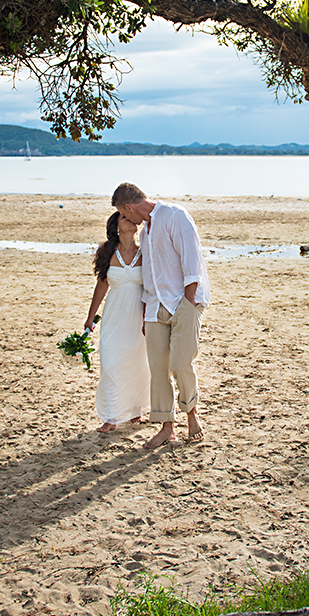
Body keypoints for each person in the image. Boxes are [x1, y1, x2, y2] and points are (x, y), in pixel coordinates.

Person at [112, 182, 209, 448]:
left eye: (124, 213)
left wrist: (188, 302)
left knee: (180, 364)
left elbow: (192, 262)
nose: (127, 219)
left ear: (129, 207)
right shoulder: (145, 233)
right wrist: (146, 312)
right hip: (155, 308)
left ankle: (192, 414)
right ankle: (167, 427)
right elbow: (149, 277)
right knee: (157, 370)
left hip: (183, 303)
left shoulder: (174, 216)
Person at [83, 211, 150, 432]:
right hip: (113, 316)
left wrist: (147, 318)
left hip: (137, 317)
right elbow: (102, 286)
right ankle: (110, 418)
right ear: (116, 227)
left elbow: (150, 288)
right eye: (124, 217)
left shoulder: (145, 252)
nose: (130, 219)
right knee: (111, 364)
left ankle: (135, 411)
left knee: (137, 363)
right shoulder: (107, 252)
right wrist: (90, 317)